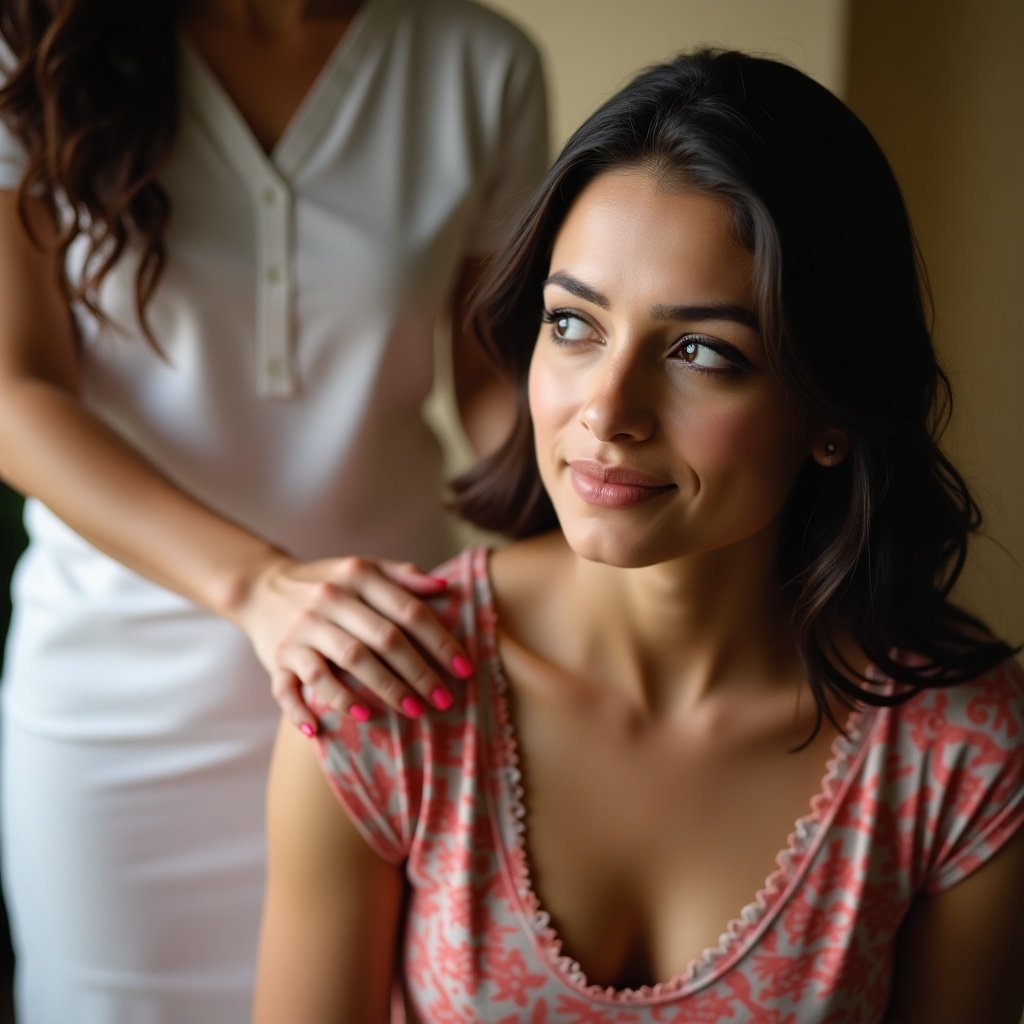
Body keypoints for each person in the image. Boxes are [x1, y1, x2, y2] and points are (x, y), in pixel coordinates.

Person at [253, 48, 1024, 1024]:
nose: (607, 409)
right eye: (573, 324)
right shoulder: (391, 691)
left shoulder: (959, 751)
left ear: (832, 405)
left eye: (701, 351)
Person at [0, 0, 548, 1020]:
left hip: (392, 680)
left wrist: (606, 533)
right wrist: (258, 583)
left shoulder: (479, 63)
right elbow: (14, 391)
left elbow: (488, 375)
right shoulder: (30, 46)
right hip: (114, 697)